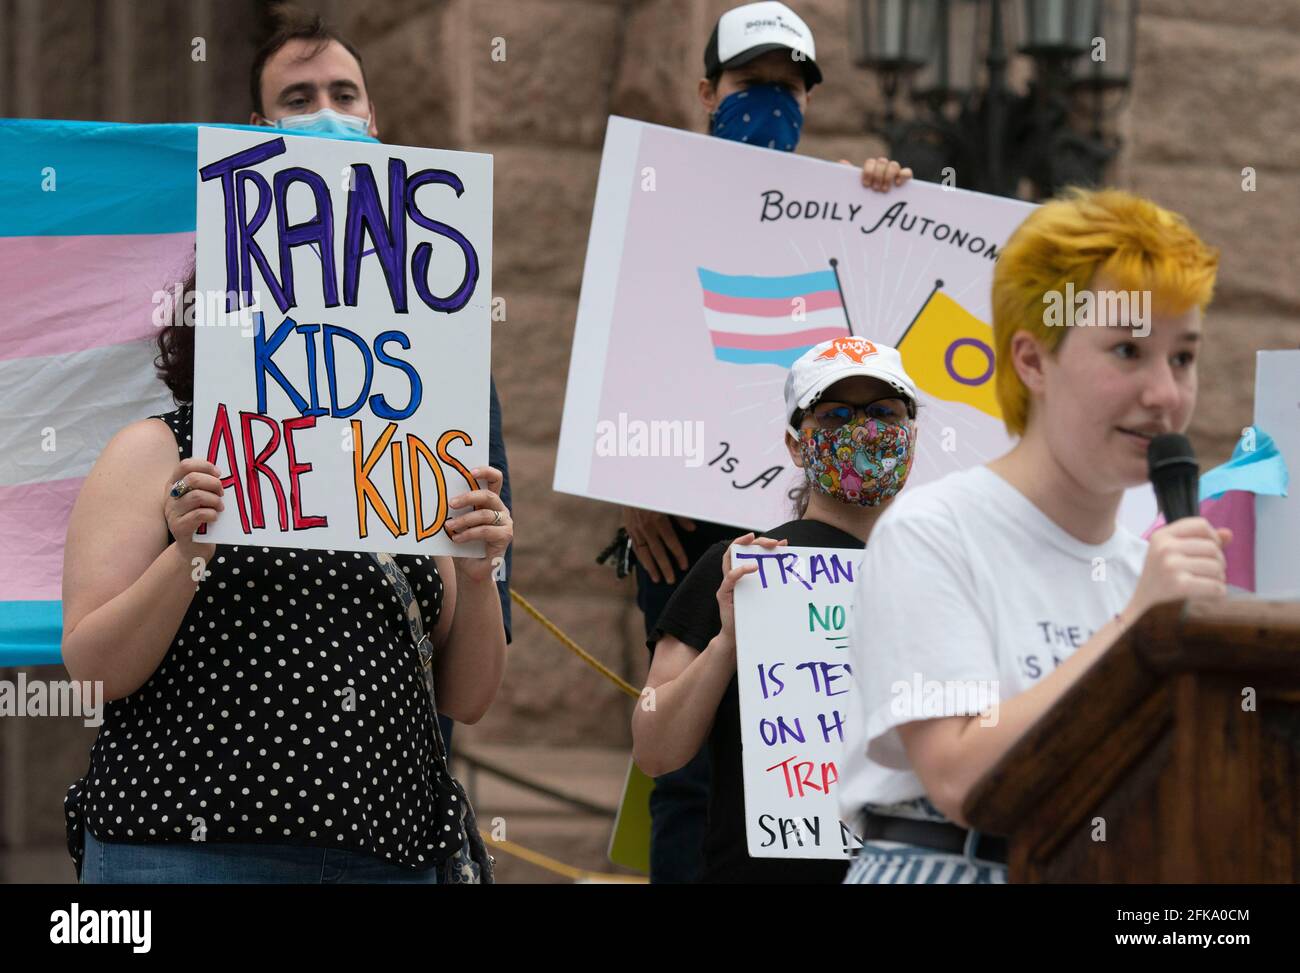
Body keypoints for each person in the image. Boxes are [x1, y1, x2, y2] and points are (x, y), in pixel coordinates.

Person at [837, 188, 1225, 883]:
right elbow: (959, 776)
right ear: (1032, 360)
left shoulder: (1149, 565)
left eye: (1183, 358)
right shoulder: (934, 532)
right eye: (1129, 350)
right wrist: (1137, 624)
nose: (1167, 394)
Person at [620, 0, 914, 885]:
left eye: (789, 87)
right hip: (693, 531)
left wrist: (891, 201)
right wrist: (632, 475)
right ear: (707, 89)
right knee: (696, 773)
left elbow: (881, 318)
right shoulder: (656, 194)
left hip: (834, 527)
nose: (770, 102)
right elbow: (623, 346)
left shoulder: (838, 202)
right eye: (752, 84)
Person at [246, 8, 514, 756]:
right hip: (238, 696)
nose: (326, 113)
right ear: (257, 125)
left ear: (373, 119)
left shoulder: (441, 329)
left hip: (392, 729)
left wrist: (487, 572)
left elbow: (475, 530)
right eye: (299, 101)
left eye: (344, 95)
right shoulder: (214, 295)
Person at [633, 334, 921, 883]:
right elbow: (654, 749)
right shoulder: (735, 569)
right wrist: (727, 644)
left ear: (911, 432)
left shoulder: (942, 574)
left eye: (884, 411)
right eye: (836, 416)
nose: (863, 430)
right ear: (795, 445)